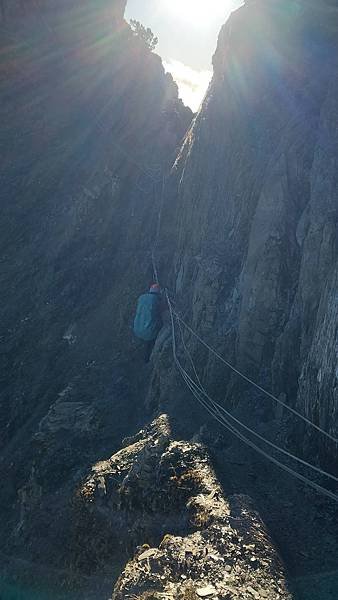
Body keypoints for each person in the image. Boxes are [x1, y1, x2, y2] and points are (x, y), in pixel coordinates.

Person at [133, 283, 164, 363]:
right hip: (149, 331)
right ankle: (147, 359)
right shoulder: (156, 300)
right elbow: (160, 311)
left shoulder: (141, 297)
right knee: (150, 342)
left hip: (137, 327)